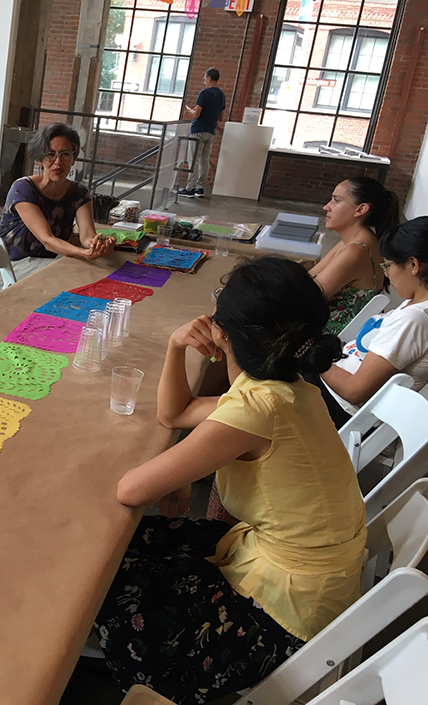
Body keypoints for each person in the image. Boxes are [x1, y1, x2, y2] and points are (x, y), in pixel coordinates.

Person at [94, 257, 366, 702]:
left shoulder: (257, 409)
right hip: (304, 575)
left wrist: (182, 346)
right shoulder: (290, 388)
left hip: (286, 612)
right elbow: (175, 414)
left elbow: (131, 489)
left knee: (104, 578)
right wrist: (174, 346)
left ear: (225, 334)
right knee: (126, 545)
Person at [308, 217, 428, 427]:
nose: (388, 274)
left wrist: (316, 359)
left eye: (389, 265)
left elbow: (355, 391)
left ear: (413, 265)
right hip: (334, 385)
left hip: (339, 407)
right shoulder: (413, 303)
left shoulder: (415, 319)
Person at [0, 122, 113, 280]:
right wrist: (84, 254)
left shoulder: (79, 193)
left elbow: (86, 235)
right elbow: (47, 240)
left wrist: (96, 245)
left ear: (73, 158)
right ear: (40, 158)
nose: (58, 162)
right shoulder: (23, 189)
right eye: (50, 154)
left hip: (48, 261)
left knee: (94, 271)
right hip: (9, 267)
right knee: (76, 274)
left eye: (65, 154)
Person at [312, 176, 400, 335]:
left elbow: (307, 294)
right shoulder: (353, 242)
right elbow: (308, 277)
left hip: (325, 340)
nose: (326, 207)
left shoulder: (357, 250)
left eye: (336, 200)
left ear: (361, 209)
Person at [178, 67, 226, 198]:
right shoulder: (221, 95)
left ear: (209, 78)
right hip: (210, 131)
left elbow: (197, 114)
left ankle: (189, 188)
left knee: (194, 160)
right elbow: (221, 117)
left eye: (205, 78)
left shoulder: (204, 93)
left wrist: (190, 110)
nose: (204, 80)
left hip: (198, 129)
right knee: (204, 160)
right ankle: (200, 188)